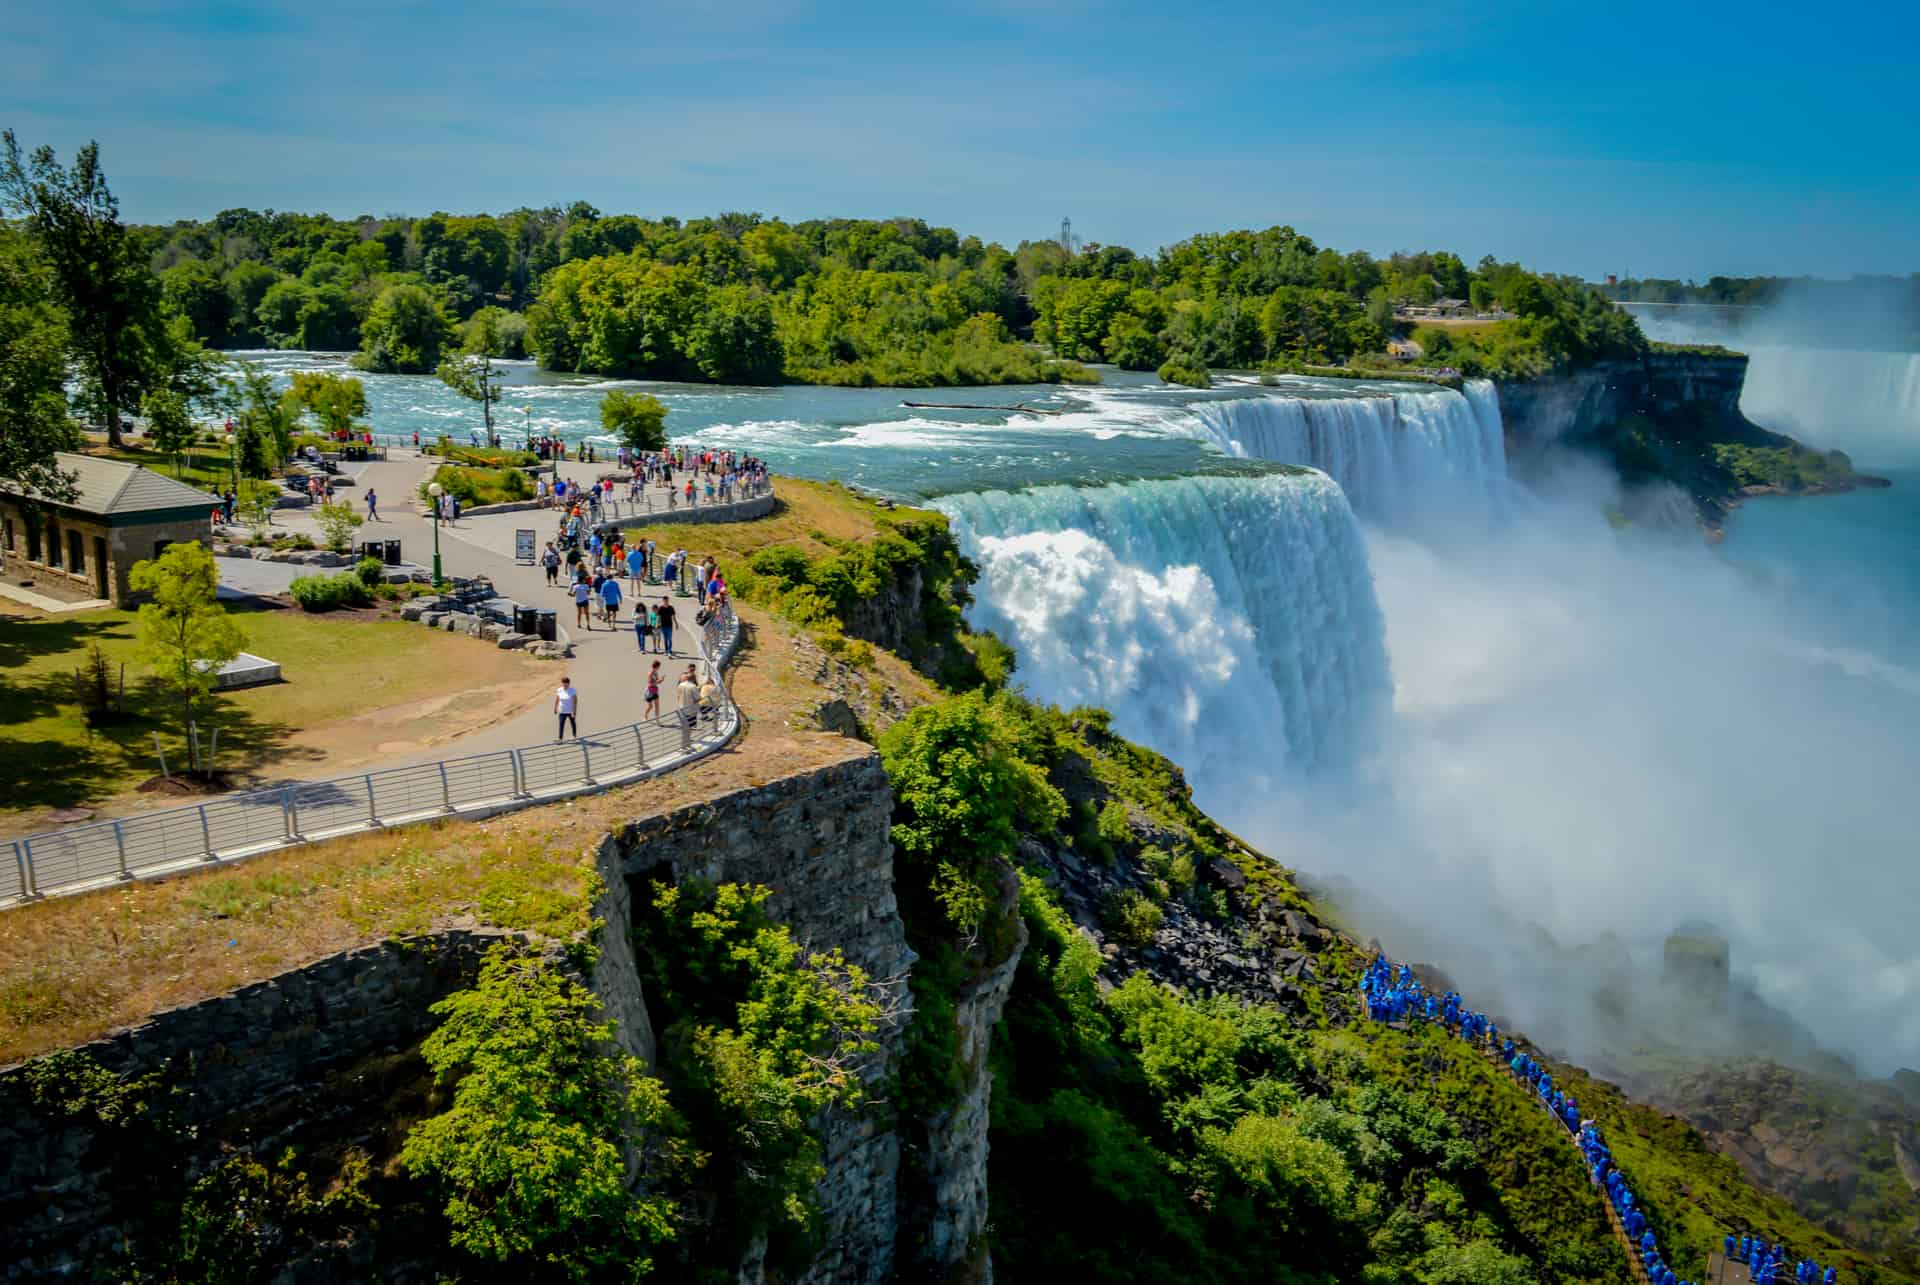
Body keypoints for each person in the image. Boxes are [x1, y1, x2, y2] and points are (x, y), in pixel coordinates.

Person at [676, 664, 700, 749]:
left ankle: (684, 740)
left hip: (682, 708)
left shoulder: (680, 685)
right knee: (691, 725)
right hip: (691, 709)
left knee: (684, 725)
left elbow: (678, 696)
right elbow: (697, 698)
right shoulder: (693, 687)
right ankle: (688, 740)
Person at [554, 676, 579, 740]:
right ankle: (560, 738)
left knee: (572, 723)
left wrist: (574, 711)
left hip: (570, 711)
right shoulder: (559, 690)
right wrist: (555, 708)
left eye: (566, 683)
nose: (564, 684)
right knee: (561, 724)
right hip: (562, 711)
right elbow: (557, 699)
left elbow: (575, 701)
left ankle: (574, 736)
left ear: (568, 683)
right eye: (563, 683)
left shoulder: (572, 690)